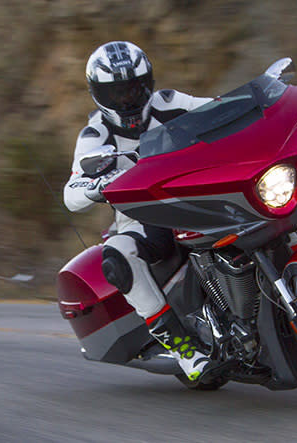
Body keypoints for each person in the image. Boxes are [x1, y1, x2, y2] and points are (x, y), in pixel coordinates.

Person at [63, 41, 215, 381]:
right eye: (115, 93)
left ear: (148, 84)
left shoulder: (170, 102)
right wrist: (96, 185)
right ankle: (181, 345)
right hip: (147, 218)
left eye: (133, 88)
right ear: (98, 94)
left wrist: (265, 98)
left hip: (203, 200)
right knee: (118, 253)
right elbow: (71, 193)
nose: (127, 99)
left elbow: (221, 111)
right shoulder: (95, 134)